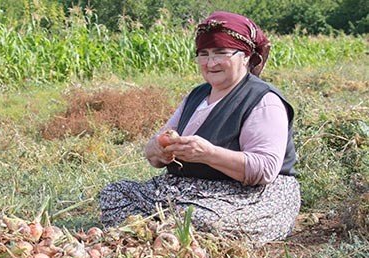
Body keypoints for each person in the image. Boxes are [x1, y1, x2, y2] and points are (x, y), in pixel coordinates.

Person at [99, 11, 300, 243]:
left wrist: (208, 154)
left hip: (250, 194)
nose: (210, 63)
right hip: (191, 190)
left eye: (221, 53)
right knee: (113, 194)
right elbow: (154, 152)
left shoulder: (263, 100)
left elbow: (263, 170)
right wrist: (159, 149)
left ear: (245, 56)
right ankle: (166, 234)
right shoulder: (198, 95)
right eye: (203, 54)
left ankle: (160, 232)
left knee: (201, 219)